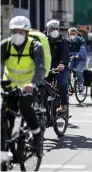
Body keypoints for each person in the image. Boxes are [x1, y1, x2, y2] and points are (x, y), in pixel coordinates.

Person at [1, 16, 45, 154]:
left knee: (23, 105)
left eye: (20, 32)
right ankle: (5, 146)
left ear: (27, 33)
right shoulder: (5, 45)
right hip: (9, 84)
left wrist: (33, 83)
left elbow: (40, 68)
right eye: (14, 31)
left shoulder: (35, 46)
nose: (17, 35)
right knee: (5, 114)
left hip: (28, 85)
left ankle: (37, 135)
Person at [46, 20, 70, 112]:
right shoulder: (43, 40)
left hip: (61, 67)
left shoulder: (63, 40)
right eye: (52, 28)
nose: (54, 30)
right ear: (47, 29)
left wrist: (62, 64)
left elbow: (65, 54)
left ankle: (64, 105)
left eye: (56, 28)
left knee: (62, 83)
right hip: (47, 68)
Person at [67, 27, 88, 92]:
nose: (72, 35)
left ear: (76, 34)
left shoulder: (81, 40)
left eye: (74, 34)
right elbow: (65, 50)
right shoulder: (67, 41)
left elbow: (82, 50)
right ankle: (67, 85)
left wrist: (77, 55)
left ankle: (81, 84)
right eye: (71, 34)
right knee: (67, 69)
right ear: (69, 34)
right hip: (72, 59)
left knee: (78, 70)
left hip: (81, 59)